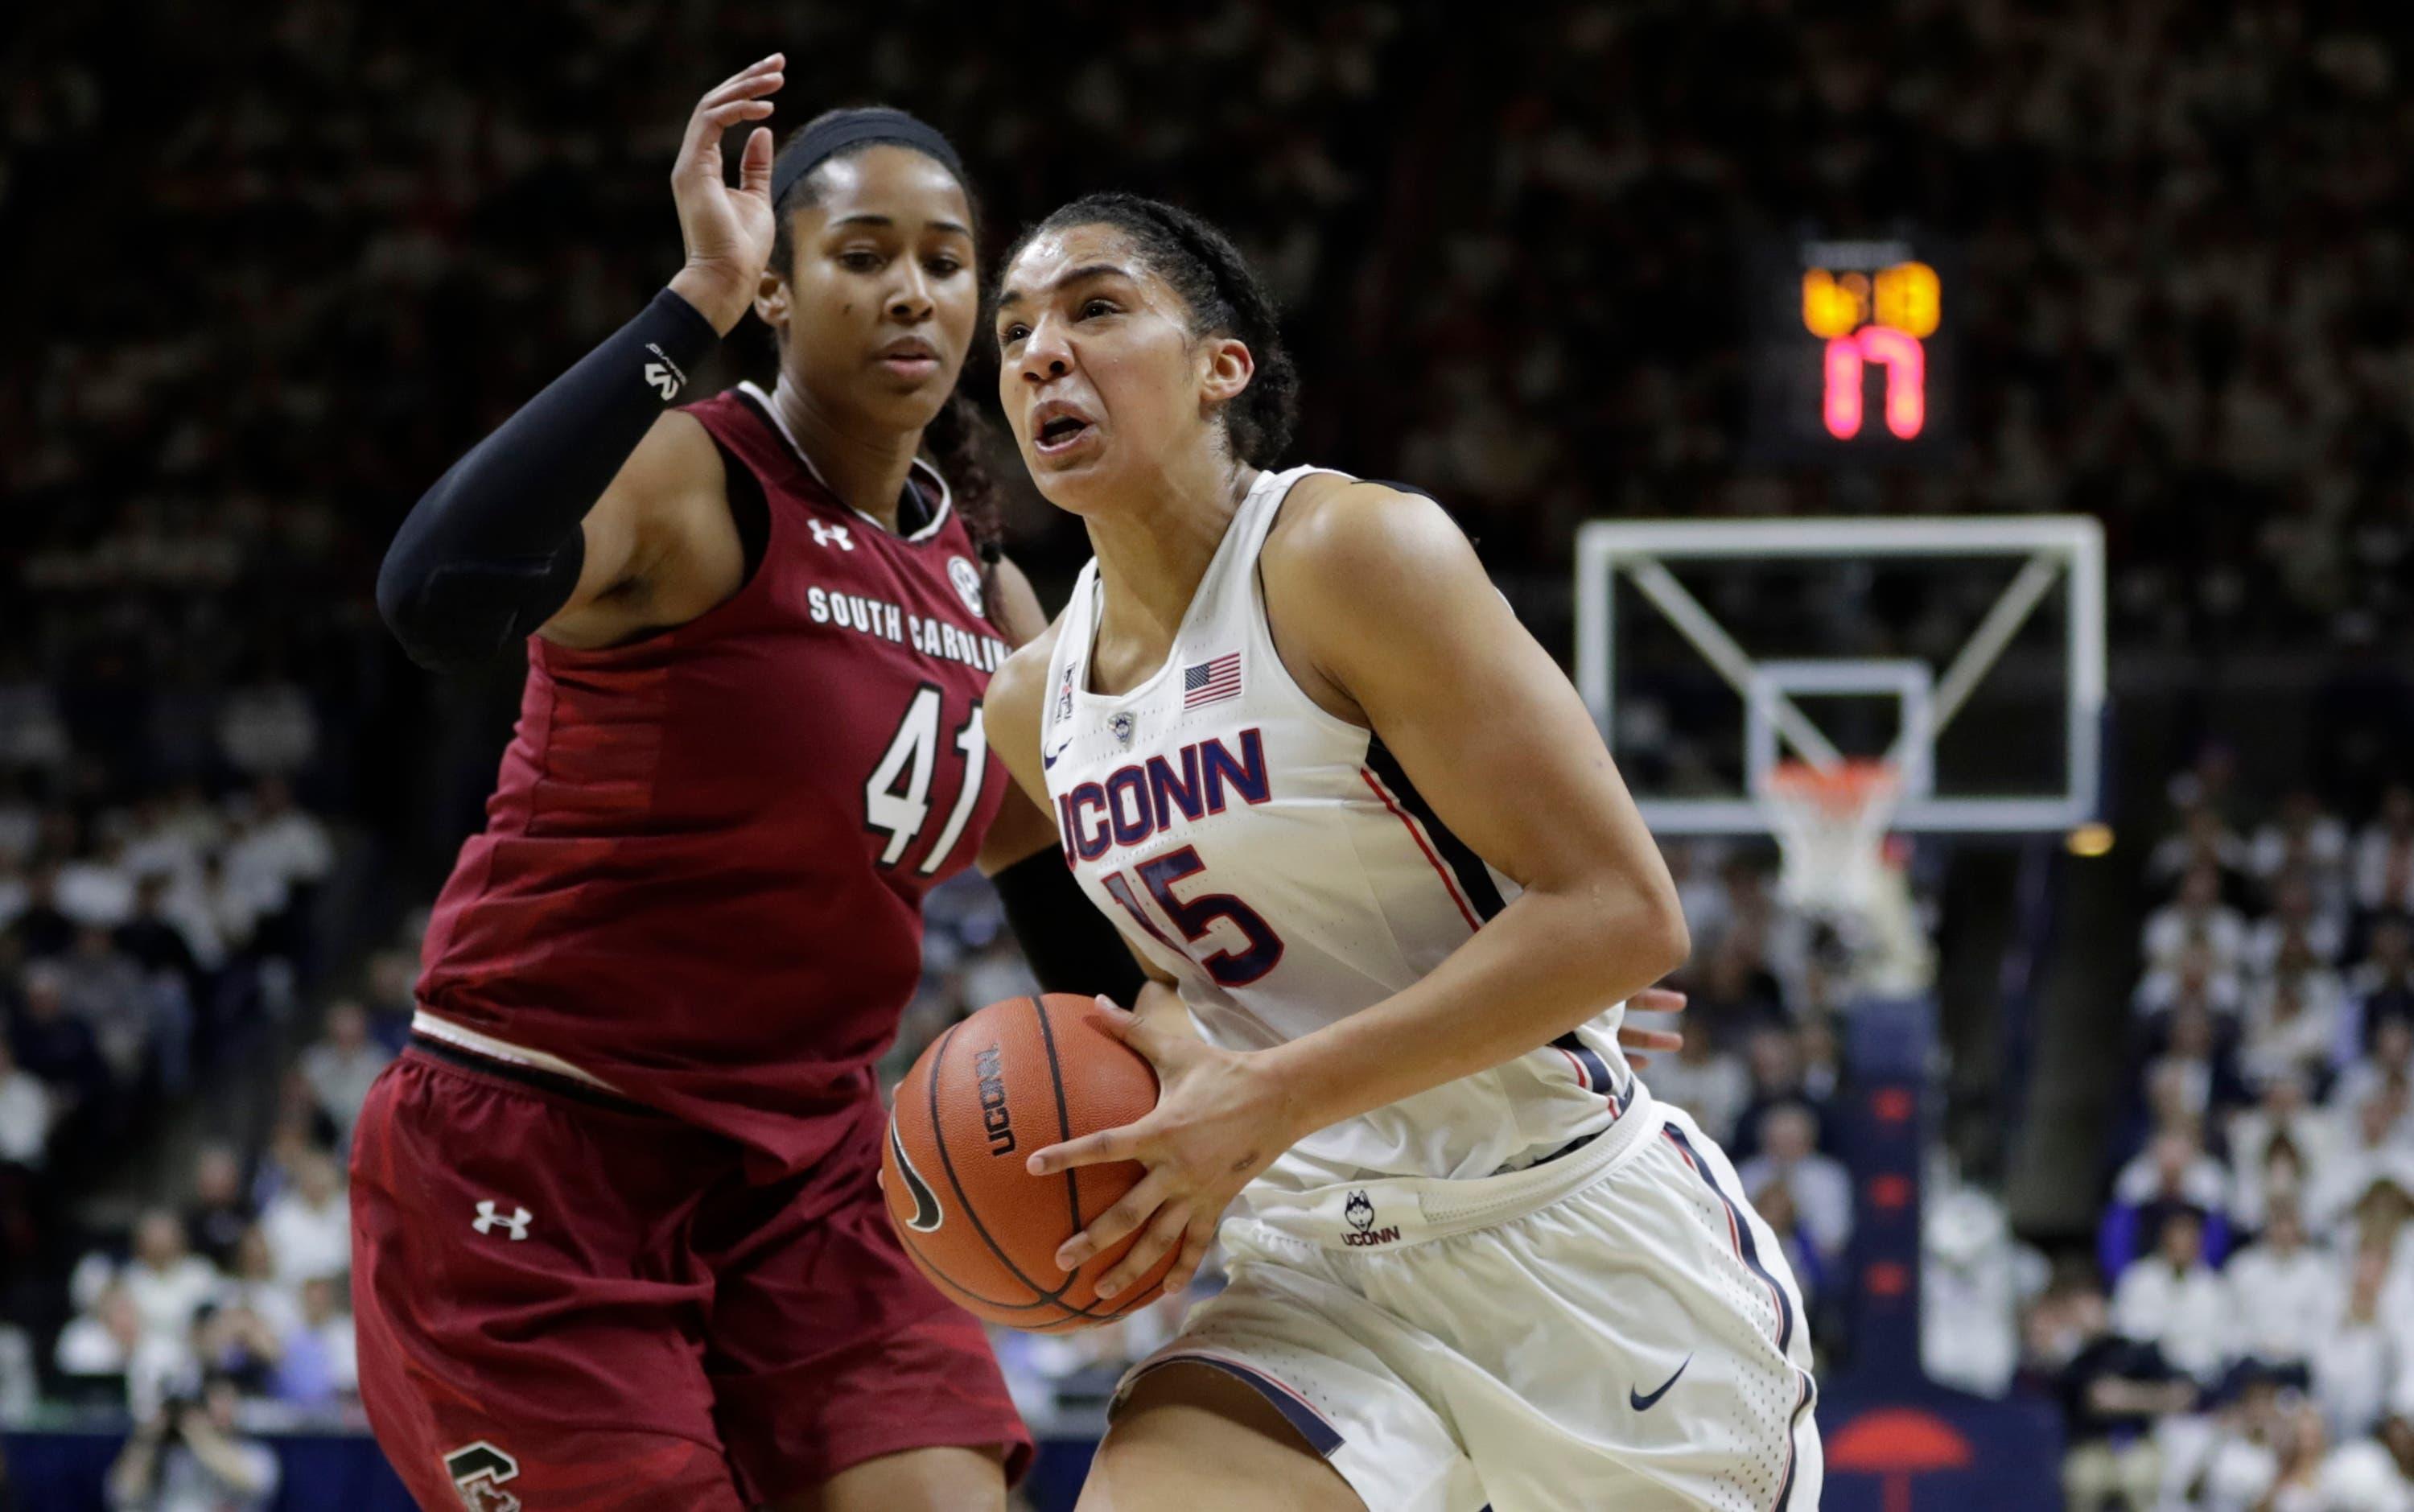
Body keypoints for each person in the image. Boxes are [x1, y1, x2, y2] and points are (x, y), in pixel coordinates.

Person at [352, 59, 1483, 1512]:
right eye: (861, 257)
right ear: (777, 287)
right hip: (544, 1141)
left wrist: (1470, 954)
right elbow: (438, 588)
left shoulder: (993, 589)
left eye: (948, 264)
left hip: (807, 1173)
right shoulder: (700, 486)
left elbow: (1096, 913)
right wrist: (685, 303)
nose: (914, 294)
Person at [983, 193, 1810, 1510]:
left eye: (1095, 308)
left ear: (1221, 366)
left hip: (1576, 1252)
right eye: (1015, 329)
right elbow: (1155, 990)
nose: (1039, 352)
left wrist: (1288, 1089)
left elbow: (1624, 912)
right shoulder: (1034, 703)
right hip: (1314, 1271)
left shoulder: (1348, 553)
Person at [105, 1374, 279, 1512]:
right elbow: (123, 1493)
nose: (220, 1411)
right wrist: (148, 1437)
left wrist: (198, 1433)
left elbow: (249, 1481)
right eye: (213, 1402)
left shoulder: (256, 1453)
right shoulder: (166, 1453)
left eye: (227, 1401)